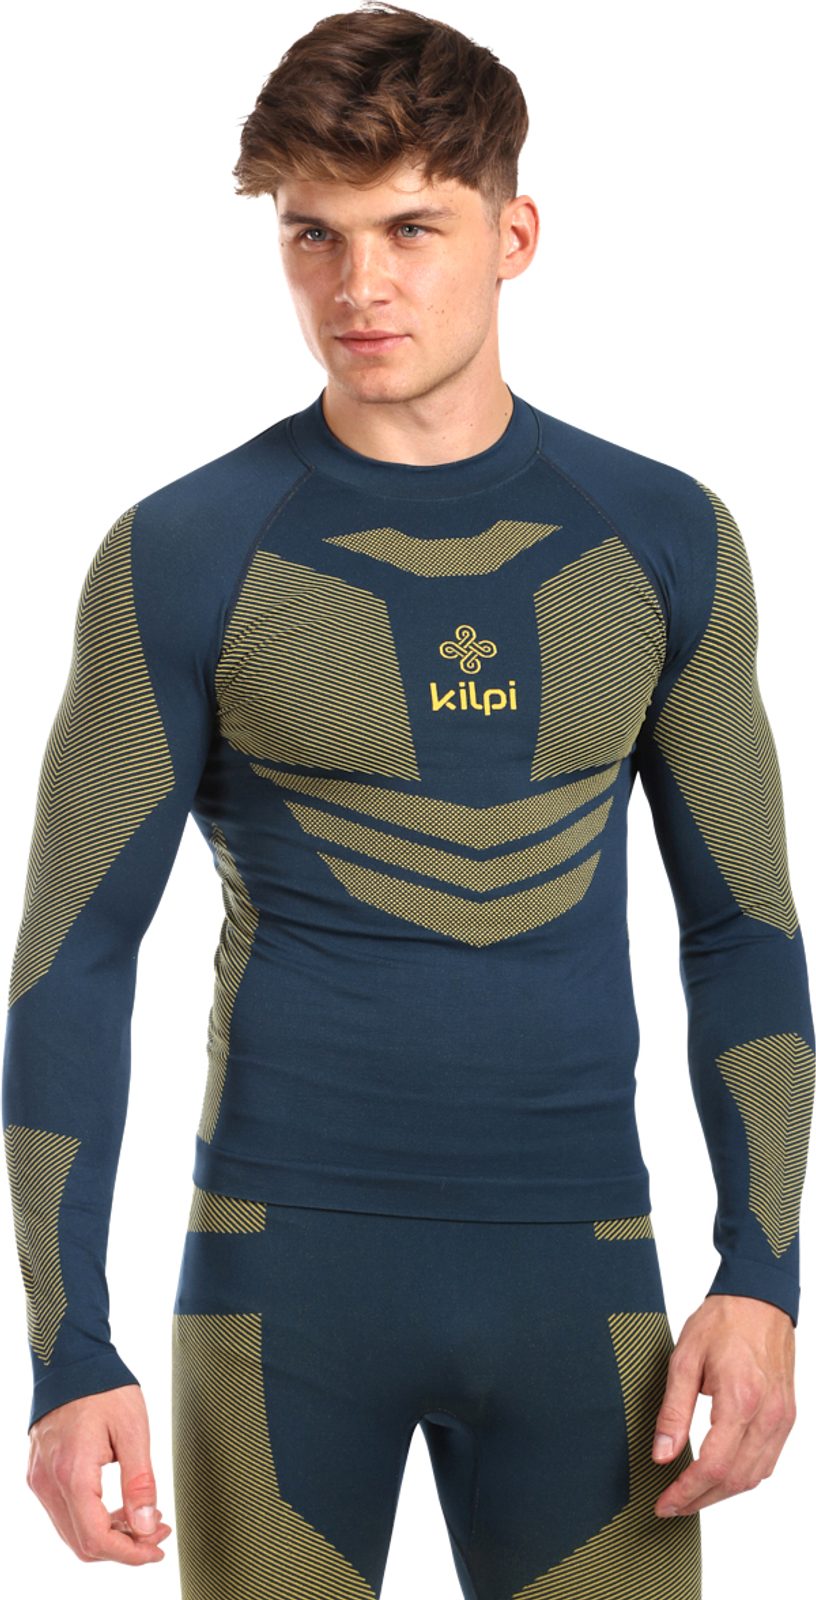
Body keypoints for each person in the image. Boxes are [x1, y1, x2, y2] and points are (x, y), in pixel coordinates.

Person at [3, 3, 813, 1594]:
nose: (356, 286)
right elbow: (72, 961)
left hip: (584, 1281)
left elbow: (745, 933)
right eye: (313, 233)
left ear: (515, 236)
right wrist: (66, 1345)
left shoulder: (662, 540)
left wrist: (765, 1276)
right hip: (280, 1291)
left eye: (409, 229)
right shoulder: (184, 552)